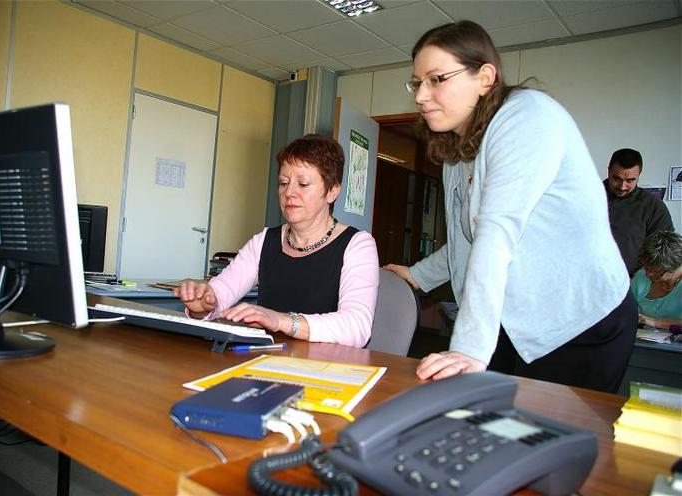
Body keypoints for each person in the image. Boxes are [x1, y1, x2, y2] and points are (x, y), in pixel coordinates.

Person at [385, 20, 636, 393]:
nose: (421, 95)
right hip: (519, 320)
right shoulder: (457, 152)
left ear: (485, 77)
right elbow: (465, 241)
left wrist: (469, 350)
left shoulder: (527, 116)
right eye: (417, 83)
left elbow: (495, 236)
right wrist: (418, 275)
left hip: (581, 318)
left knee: (555, 441)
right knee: (495, 425)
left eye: (437, 79)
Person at [174, 134, 379, 347]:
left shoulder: (357, 245)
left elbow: (357, 327)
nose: (289, 193)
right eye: (283, 182)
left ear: (332, 192)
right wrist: (204, 306)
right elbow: (221, 292)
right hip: (265, 362)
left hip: (325, 370)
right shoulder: (264, 240)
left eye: (303, 183)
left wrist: (281, 320)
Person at [604, 148, 674, 275]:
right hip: (588, 279)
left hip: (633, 282)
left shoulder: (652, 206)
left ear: (639, 175)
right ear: (608, 171)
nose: (622, 186)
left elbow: (665, 251)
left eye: (630, 180)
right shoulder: (588, 198)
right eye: (617, 179)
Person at [631, 231, 682, 329]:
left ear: (675, 267)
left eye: (656, 271)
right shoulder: (641, 277)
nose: (648, 274)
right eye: (646, 267)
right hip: (642, 339)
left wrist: (655, 322)